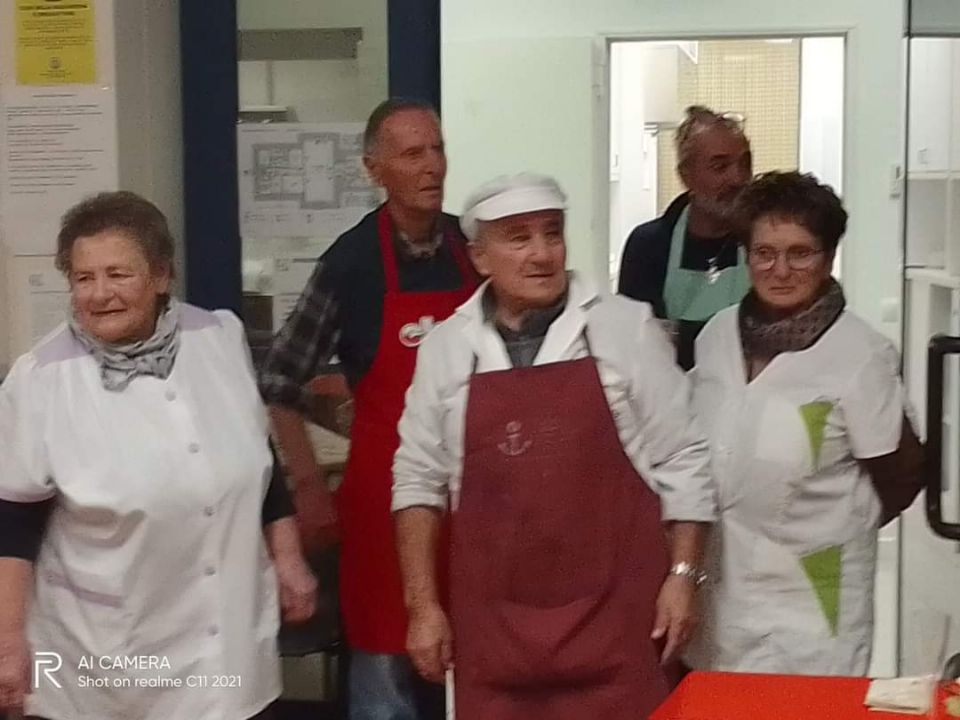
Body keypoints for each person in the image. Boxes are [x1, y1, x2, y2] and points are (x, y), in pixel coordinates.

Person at [392, 173, 717, 720]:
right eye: (519, 238)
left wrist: (683, 578)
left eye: (552, 234)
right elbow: (417, 481)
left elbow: (684, 458)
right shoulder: (448, 347)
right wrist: (423, 606)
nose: (542, 254)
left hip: (621, 630)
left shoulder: (622, 328)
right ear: (480, 256)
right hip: (495, 645)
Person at [0, 191, 317, 720]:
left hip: (226, 645)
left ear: (162, 275)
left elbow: (257, 454)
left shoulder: (218, 336)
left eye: (118, 274)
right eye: (83, 278)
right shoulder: (41, 380)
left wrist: (287, 556)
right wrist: (8, 640)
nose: (100, 294)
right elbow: (12, 523)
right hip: (104, 659)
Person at [258, 98, 478, 720]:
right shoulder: (350, 264)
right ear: (373, 169)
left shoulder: (474, 250)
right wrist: (308, 486)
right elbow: (279, 380)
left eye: (437, 148)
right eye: (412, 153)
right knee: (386, 672)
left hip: (478, 500)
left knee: (477, 670)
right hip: (384, 507)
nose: (432, 165)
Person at [685, 171, 924, 676]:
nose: (780, 269)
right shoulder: (715, 336)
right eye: (765, 252)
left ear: (828, 257)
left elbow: (899, 478)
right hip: (720, 594)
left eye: (800, 253)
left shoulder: (861, 355)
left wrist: (820, 527)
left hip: (810, 605)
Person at [618, 105, 753, 369]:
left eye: (744, 164)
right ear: (685, 175)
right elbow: (635, 346)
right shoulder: (649, 245)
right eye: (720, 166)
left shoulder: (763, 243)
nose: (737, 178)